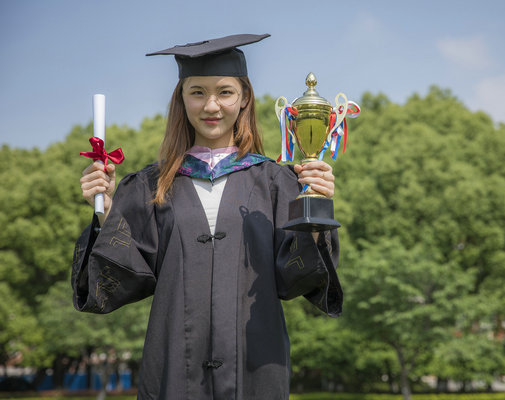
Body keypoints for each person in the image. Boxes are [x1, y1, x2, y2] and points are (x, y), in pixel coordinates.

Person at [72, 33, 342, 400]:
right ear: (181, 100)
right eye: (197, 91)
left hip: (256, 368)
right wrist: (104, 209)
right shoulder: (149, 186)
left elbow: (299, 279)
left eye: (225, 92)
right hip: (174, 370)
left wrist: (315, 208)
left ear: (244, 97)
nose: (211, 105)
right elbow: (112, 281)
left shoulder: (278, 182)